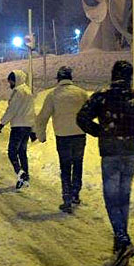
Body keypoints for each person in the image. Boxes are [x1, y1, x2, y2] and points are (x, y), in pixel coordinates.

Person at [77, 60, 134, 266]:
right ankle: (119, 247)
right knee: (123, 198)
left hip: (110, 153)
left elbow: (81, 118)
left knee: (111, 199)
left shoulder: (102, 96)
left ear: (112, 75)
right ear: (130, 77)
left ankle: (123, 239)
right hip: (130, 153)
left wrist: (101, 131)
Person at [35, 66, 90, 214]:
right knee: (78, 164)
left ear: (58, 78)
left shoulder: (53, 95)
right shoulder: (82, 93)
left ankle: (66, 198)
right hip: (79, 135)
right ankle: (76, 194)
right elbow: (90, 112)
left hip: (63, 137)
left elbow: (42, 117)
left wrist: (41, 136)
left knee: (65, 167)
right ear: (70, 77)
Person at [0, 70, 36, 190]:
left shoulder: (18, 92)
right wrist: (33, 130)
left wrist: (2, 123)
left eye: (11, 81)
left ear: (16, 80)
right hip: (27, 128)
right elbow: (32, 112)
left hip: (18, 127)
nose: (10, 84)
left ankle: (21, 173)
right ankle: (25, 177)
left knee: (12, 152)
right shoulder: (28, 92)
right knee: (22, 152)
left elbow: (12, 109)